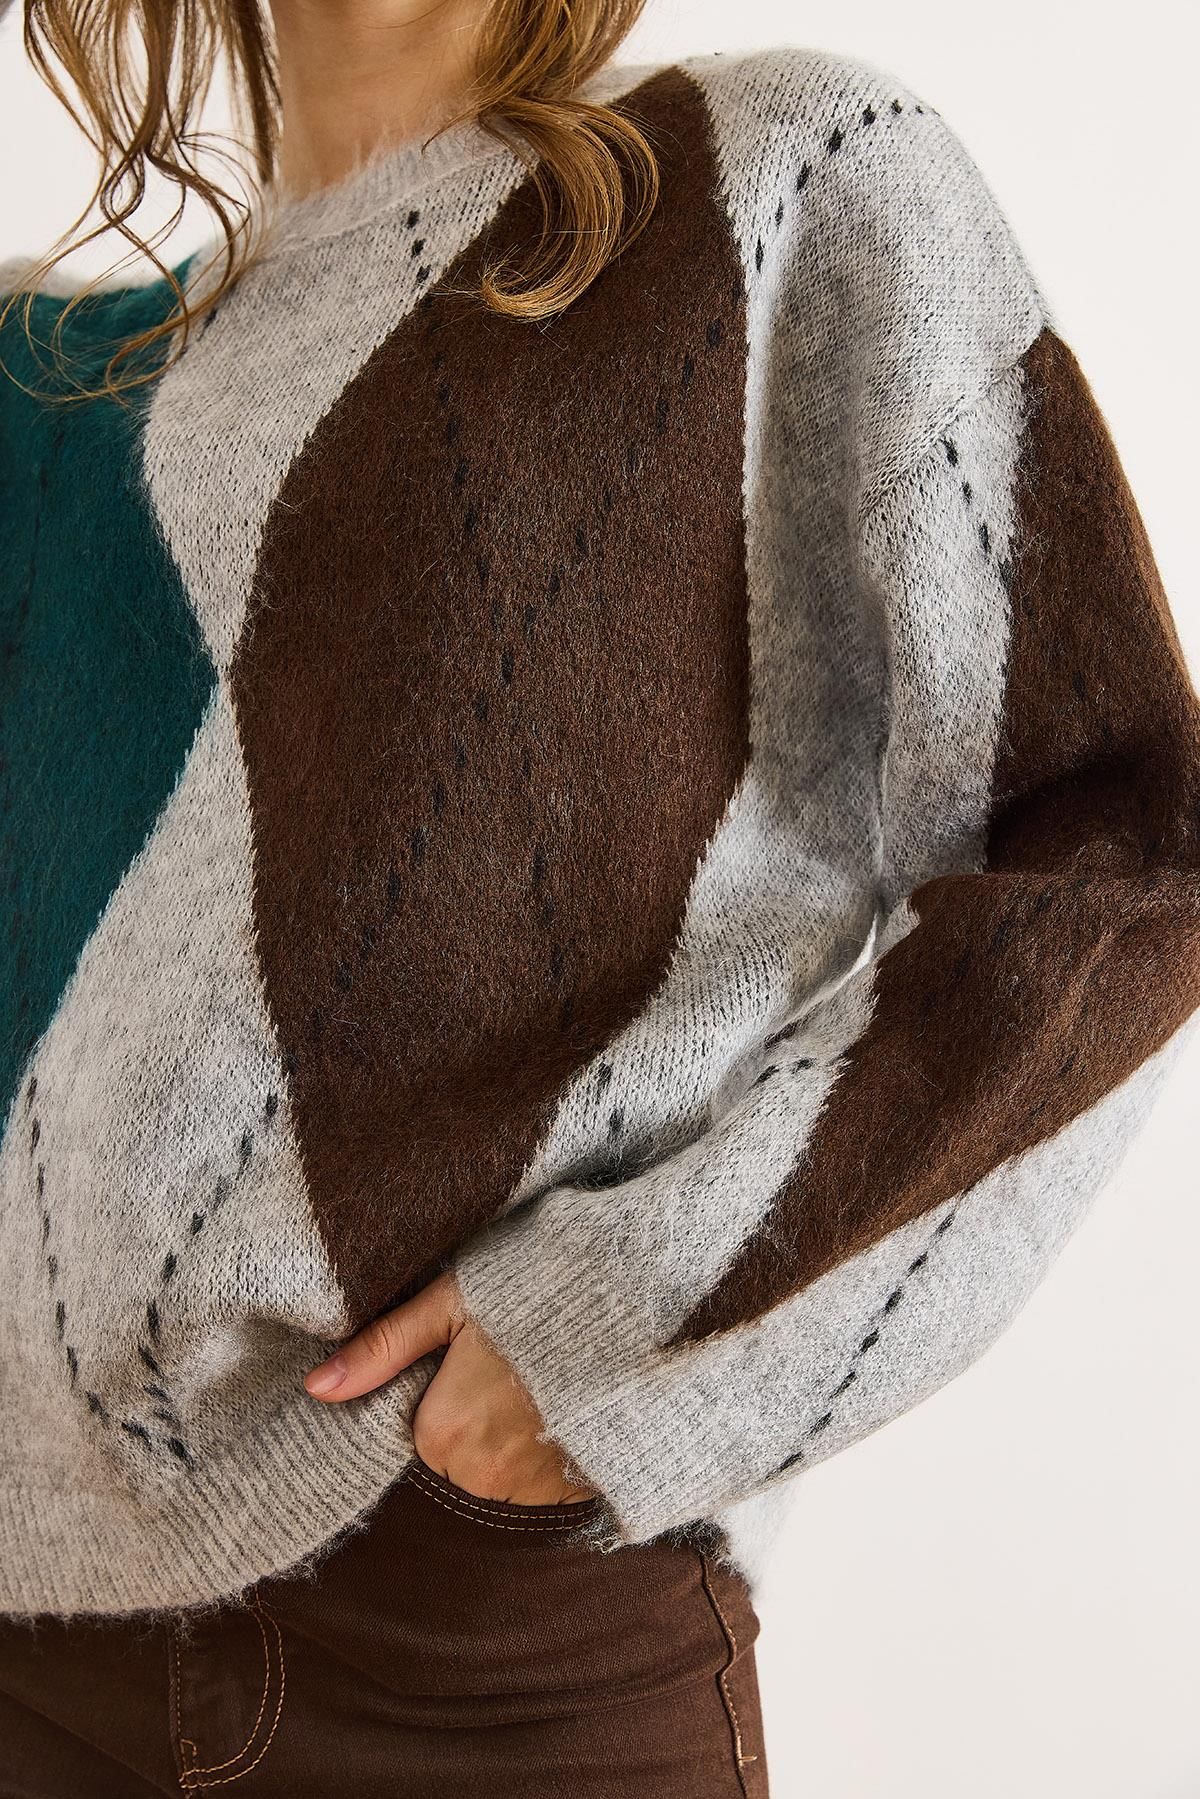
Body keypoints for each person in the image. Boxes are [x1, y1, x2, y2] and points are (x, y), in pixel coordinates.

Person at [1, 0, 1197, 1791]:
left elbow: (1129, 858)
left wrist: (621, 1330)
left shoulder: (774, 188)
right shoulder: (48, 381)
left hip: (484, 1654)